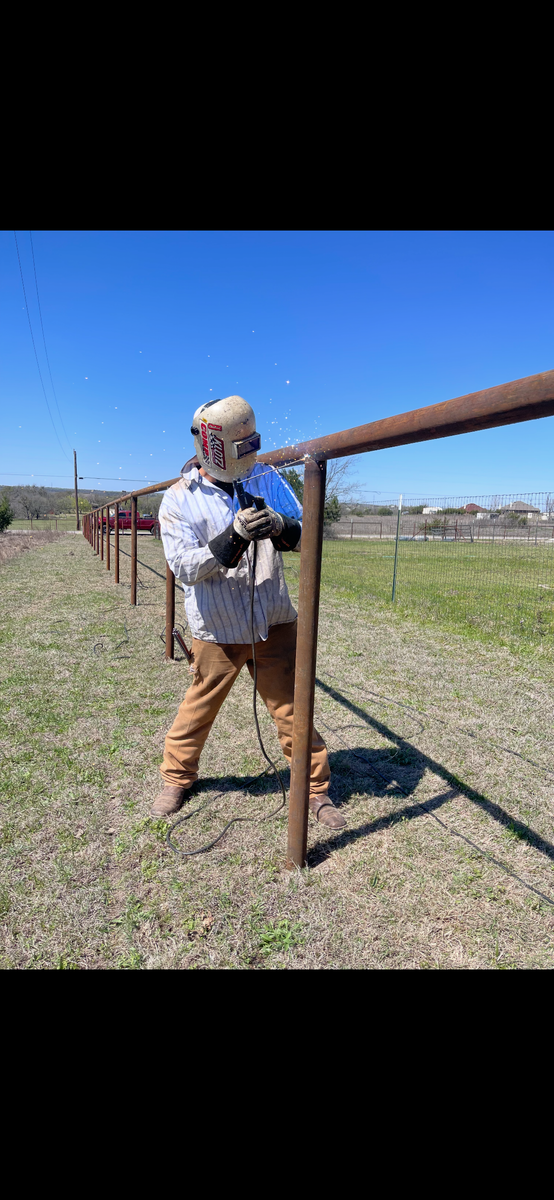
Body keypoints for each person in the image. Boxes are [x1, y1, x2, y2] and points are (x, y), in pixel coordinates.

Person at [150, 395, 345, 830]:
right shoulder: (178, 499)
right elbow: (183, 565)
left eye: (251, 442)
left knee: (294, 708)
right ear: (213, 444)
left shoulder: (266, 477)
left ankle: (314, 789)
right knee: (198, 707)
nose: (250, 452)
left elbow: (305, 531)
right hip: (217, 626)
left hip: (273, 619)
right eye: (241, 445)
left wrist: (280, 527)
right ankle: (176, 779)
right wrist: (232, 537)